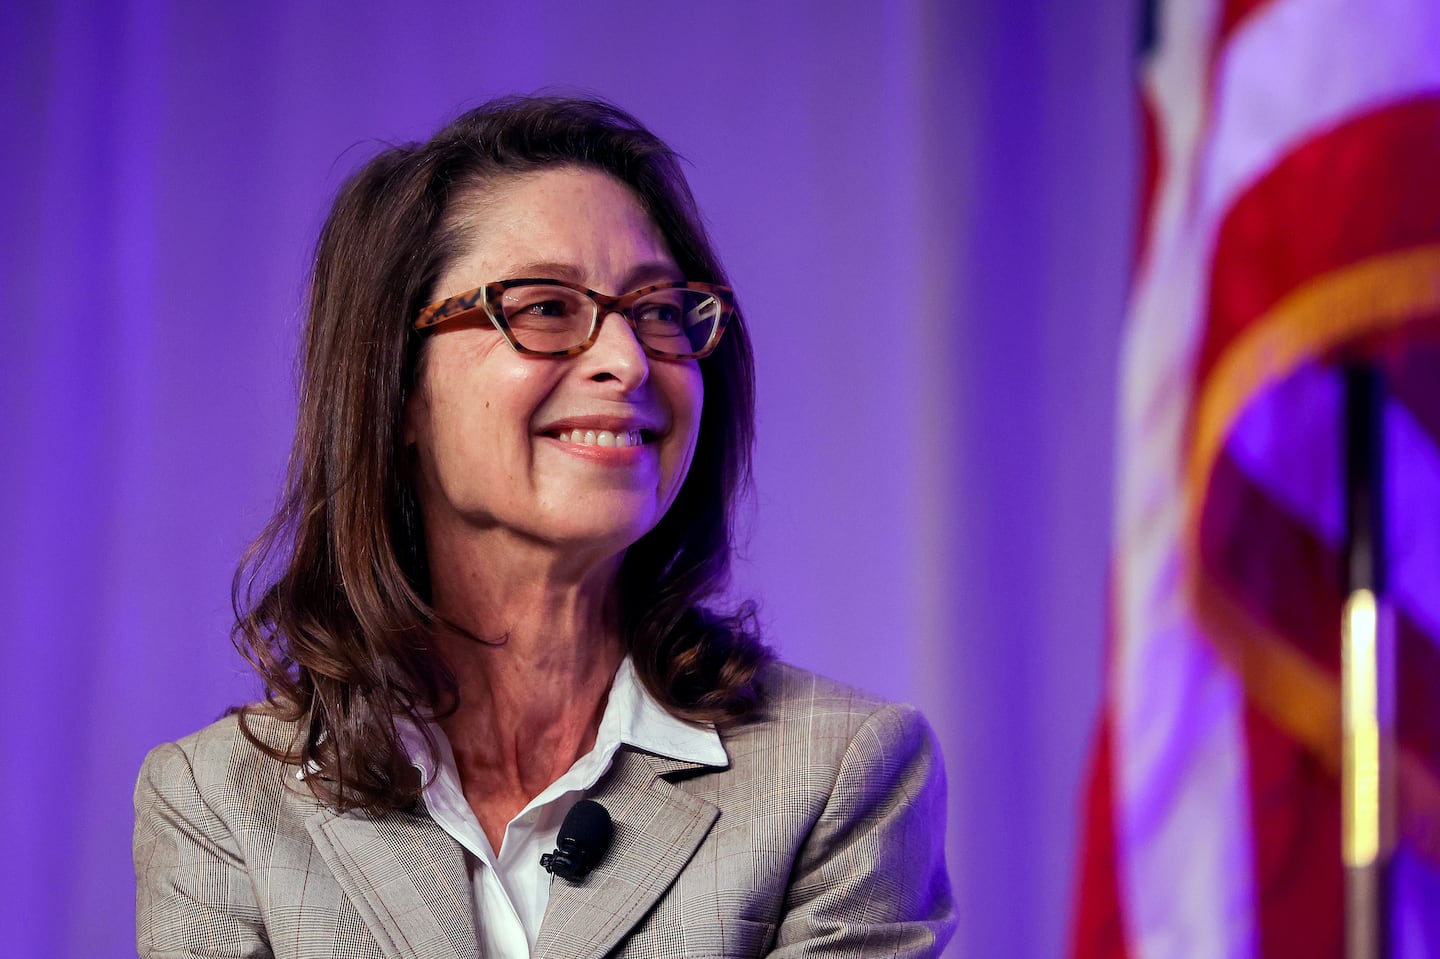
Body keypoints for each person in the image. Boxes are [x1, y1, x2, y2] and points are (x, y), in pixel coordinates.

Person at [133, 94, 955, 959]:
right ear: (399, 387)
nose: (627, 359)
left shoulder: (842, 773)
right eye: (545, 307)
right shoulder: (221, 802)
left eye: (661, 310)